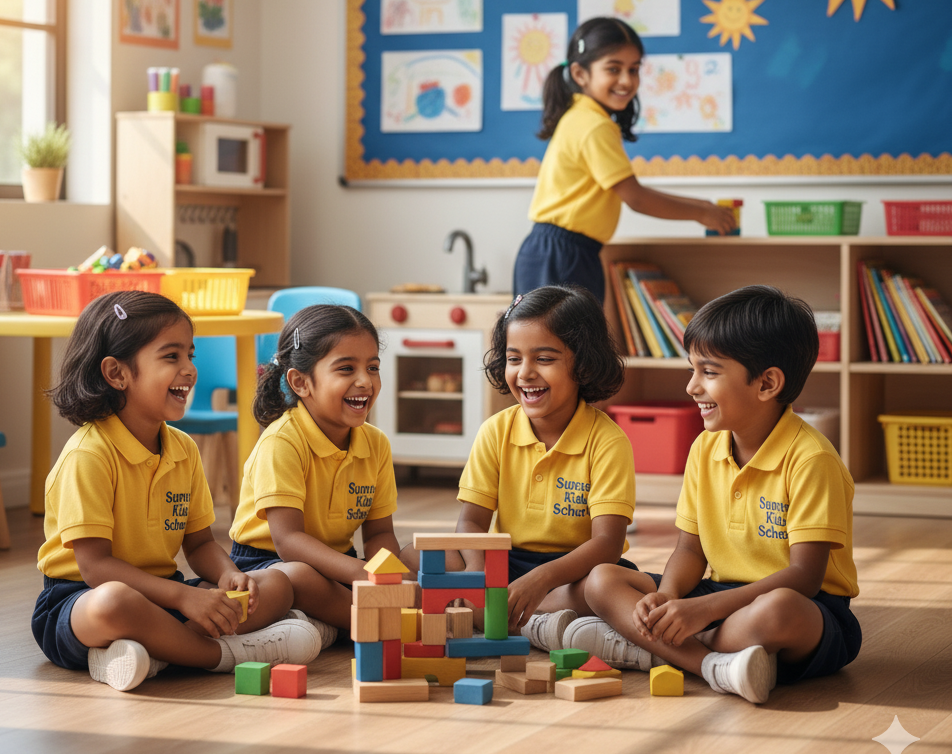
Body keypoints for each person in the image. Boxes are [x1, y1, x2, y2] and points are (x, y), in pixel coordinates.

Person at [565, 285, 860, 704]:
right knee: (602, 579)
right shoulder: (705, 448)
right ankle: (712, 665)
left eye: (709, 372)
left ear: (767, 383)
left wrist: (700, 612)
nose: (691, 387)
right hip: (715, 595)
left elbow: (805, 578)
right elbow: (690, 550)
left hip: (806, 609)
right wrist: (667, 598)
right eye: (692, 370)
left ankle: (651, 648)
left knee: (777, 610)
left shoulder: (812, 459)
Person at [32, 291, 320, 693]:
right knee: (115, 602)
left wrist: (229, 576)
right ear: (117, 373)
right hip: (79, 600)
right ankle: (222, 656)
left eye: (191, 355)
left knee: (277, 583)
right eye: (171, 357)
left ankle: (151, 655)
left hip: (166, 594)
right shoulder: (88, 455)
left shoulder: (183, 449)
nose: (189, 369)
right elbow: (95, 568)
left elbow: (199, 543)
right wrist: (185, 599)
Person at [435, 285, 639, 652]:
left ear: (584, 363)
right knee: (420, 557)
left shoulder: (608, 441)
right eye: (514, 359)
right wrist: (479, 573)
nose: (525, 373)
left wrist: (541, 580)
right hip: (505, 563)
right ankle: (536, 623)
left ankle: (506, 617)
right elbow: (471, 523)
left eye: (544, 359)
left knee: (604, 583)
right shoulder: (496, 430)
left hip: (573, 570)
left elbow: (606, 544)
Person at [513, 17, 737, 304]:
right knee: (556, 345)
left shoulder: (583, 116)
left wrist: (702, 208)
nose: (627, 80)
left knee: (564, 345)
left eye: (634, 69)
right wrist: (702, 212)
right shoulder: (594, 124)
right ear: (580, 74)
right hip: (562, 253)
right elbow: (636, 198)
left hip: (564, 250)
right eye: (613, 69)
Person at [228, 304, 405, 637]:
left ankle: (328, 624)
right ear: (300, 382)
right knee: (299, 578)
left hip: (337, 561)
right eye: (346, 369)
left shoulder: (376, 444)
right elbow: (289, 541)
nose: (365, 381)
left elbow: (380, 533)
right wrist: (366, 576)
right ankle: (381, 624)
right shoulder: (283, 441)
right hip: (268, 563)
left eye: (373, 367)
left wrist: (387, 574)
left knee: (414, 559)